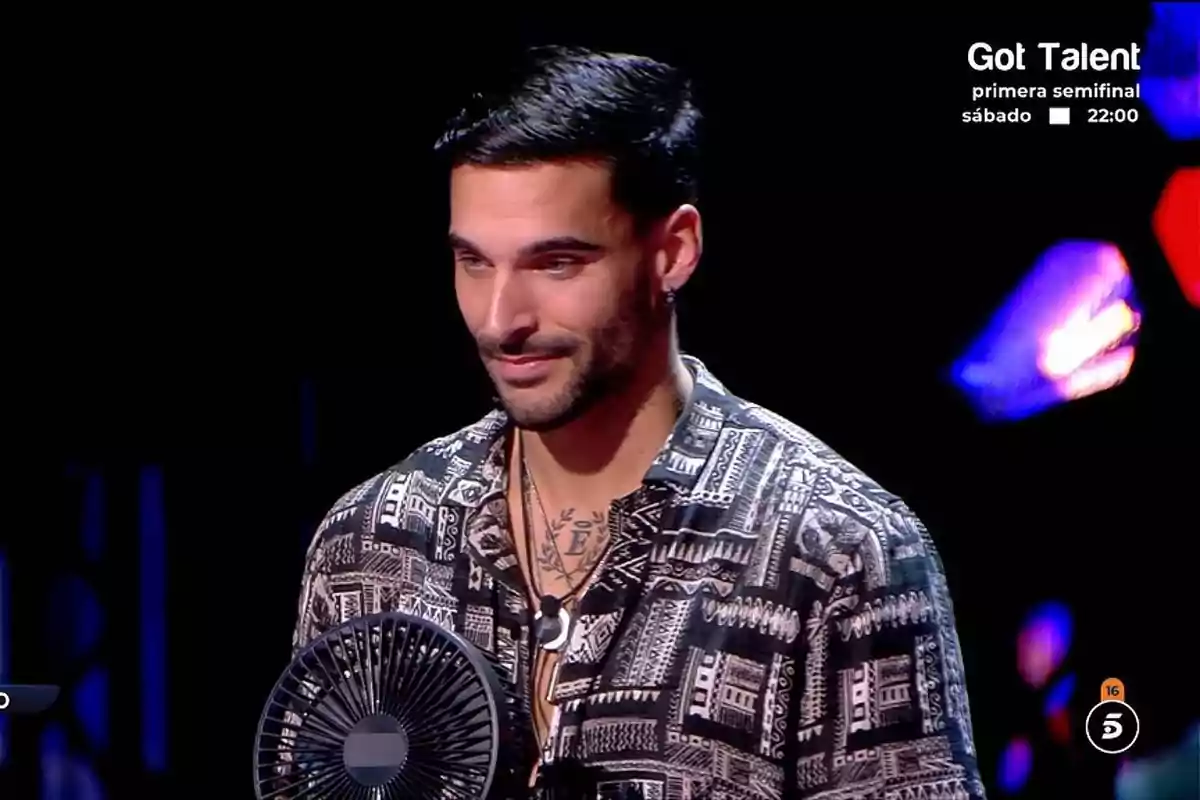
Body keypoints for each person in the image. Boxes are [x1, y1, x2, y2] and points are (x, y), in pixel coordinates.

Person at [292, 45, 987, 799]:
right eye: (474, 262)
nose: (501, 320)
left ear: (673, 252)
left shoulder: (838, 550)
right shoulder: (372, 540)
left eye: (555, 263)